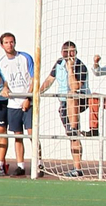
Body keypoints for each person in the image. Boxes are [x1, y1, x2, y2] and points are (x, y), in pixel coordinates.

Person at [39, 41, 91, 178]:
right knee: (70, 135)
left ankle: (74, 129)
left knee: (70, 96)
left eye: (72, 51)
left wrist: (70, 69)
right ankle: (76, 168)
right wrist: (37, 93)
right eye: (65, 51)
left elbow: (74, 87)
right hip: (64, 103)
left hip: (80, 99)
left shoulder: (80, 66)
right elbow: (49, 80)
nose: (69, 54)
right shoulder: (58, 63)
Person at [0, 32, 34, 176]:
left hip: (27, 102)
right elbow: (6, 81)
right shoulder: (1, 63)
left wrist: (28, 98)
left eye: (11, 42)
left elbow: (33, 78)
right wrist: (5, 88)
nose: (9, 45)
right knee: (17, 135)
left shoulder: (25, 57)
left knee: (32, 134)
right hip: (13, 104)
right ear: (2, 45)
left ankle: (38, 164)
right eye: (6, 43)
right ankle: (20, 165)